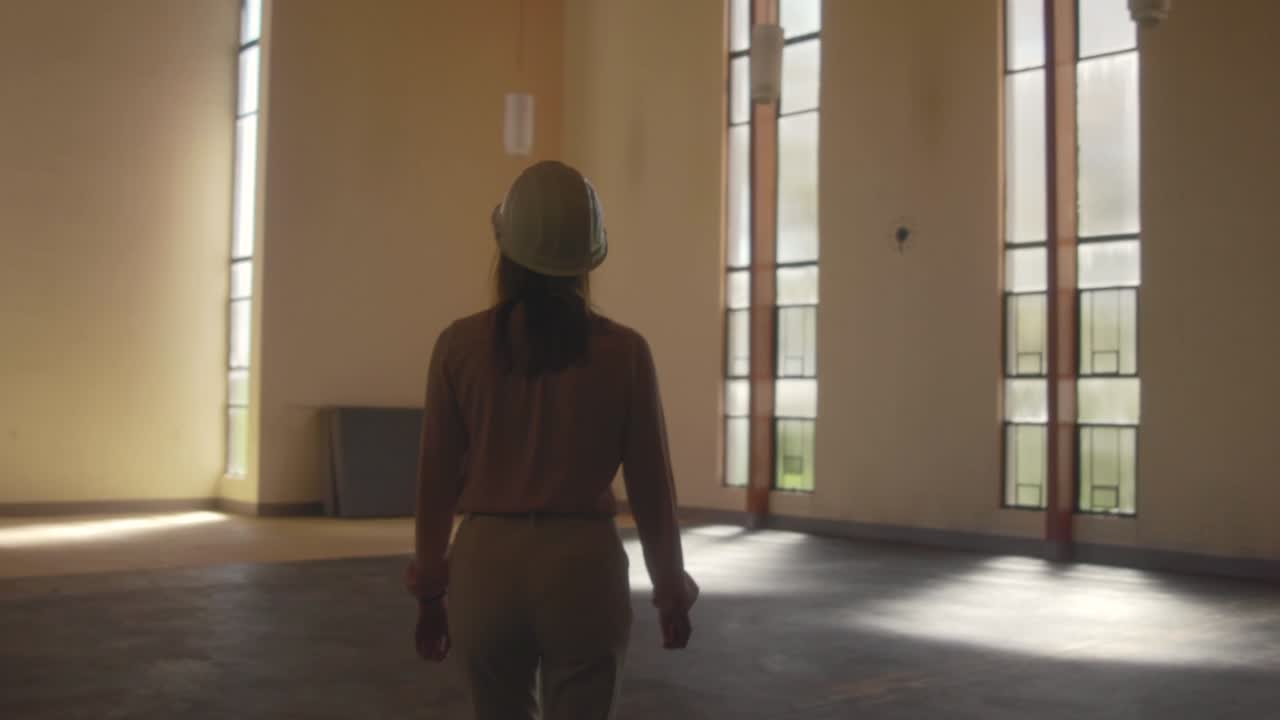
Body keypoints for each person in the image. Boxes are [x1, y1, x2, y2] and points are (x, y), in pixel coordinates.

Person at [404, 160, 699, 719]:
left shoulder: (457, 347)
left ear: (506, 251)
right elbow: (652, 487)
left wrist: (429, 591)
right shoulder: (625, 353)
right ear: (588, 260)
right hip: (583, 570)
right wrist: (670, 592)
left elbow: (435, 479)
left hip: (486, 566)